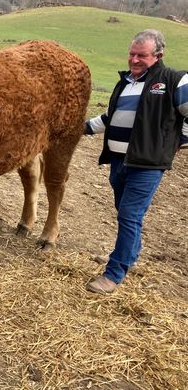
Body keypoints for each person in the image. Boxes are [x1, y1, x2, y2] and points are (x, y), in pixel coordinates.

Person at [84, 29, 188, 294]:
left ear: (158, 55)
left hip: (147, 164)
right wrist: (80, 128)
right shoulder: (126, 82)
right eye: (132, 54)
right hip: (119, 160)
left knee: (130, 215)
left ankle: (114, 274)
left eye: (141, 55)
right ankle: (128, 253)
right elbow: (109, 117)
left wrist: (180, 141)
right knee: (124, 212)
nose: (134, 60)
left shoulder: (173, 80)